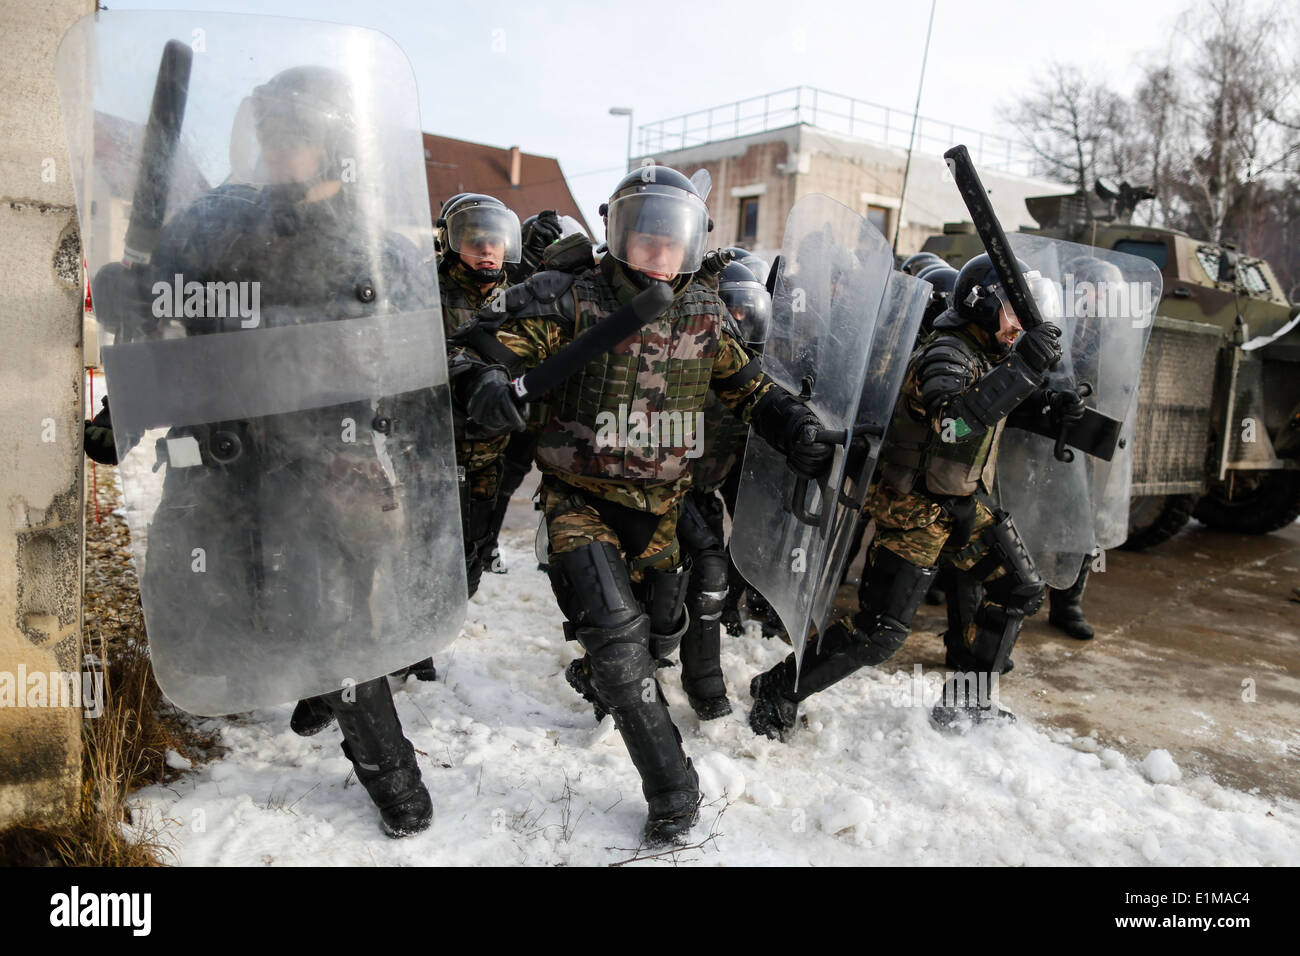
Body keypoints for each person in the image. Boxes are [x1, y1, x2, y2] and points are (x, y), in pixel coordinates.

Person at [452, 165, 833, 843]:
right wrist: (488, 389)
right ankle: (672, 790)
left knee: (663, 629)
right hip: (581, 500)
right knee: (620, 647)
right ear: (618, 236)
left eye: (671, 243)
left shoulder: (705, 311)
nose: (659, 257)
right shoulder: (570, 299)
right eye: (645, 241)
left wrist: (795, 425)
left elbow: (749, 390)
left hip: (662, 508)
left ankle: (600, 672)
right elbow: (493, 356)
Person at [119, 66, 439, 836]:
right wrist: (134, 299)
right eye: (268, 132)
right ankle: (232, 699)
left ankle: (391, 774)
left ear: (332, 142)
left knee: (333, 616)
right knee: (187, 573)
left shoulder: (378, 250)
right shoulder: (219, 224)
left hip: (325, 451)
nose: (276, 147)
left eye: (292, 134)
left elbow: (419, 365)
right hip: (224, 443)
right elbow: (166, 316)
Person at [748, 253, 1087, 738]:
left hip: (962, 501)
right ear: (983, 305)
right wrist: (1025, 368)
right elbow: (953, 423)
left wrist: (1050, 397)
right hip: (916, 511)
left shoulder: (987, 354)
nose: (1019, 326)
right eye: (1014, 311)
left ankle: (967, 704)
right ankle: (777, 687)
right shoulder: (947, 353)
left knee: (1019, 588)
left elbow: (1000, 396)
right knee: (878, 633)